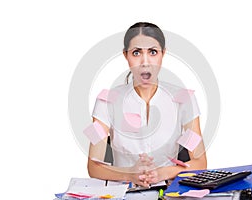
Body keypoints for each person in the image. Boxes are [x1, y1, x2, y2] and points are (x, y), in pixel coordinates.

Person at [87, 22, 207, 187]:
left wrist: (164, 172)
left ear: (163, 54)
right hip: (124, 192)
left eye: (153, 52)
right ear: (126, 56)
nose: (145, 62)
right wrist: (130, 174)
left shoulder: (184, 99)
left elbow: (200, 162)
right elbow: (94, 167)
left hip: (166, 191)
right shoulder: (106, 101)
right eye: (136, 52)